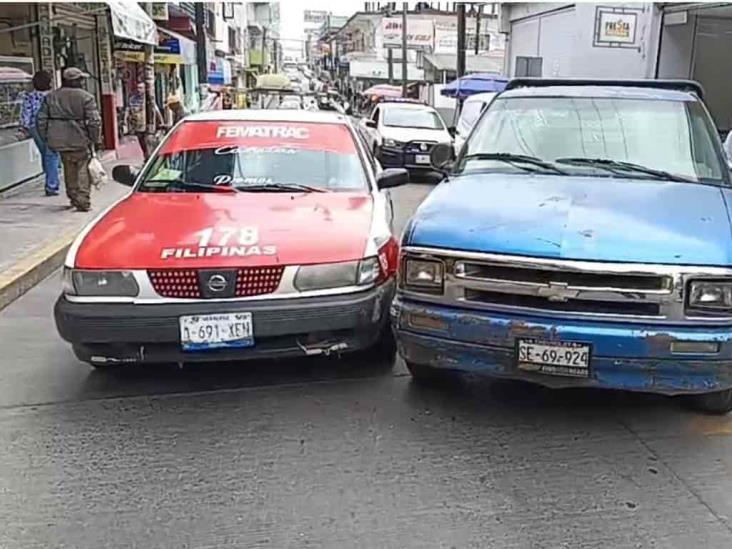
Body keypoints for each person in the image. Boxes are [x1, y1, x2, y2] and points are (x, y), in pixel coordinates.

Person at [37, 67, 101, 212]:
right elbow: (94, 121)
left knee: (68, 167)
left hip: (59, 139)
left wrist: (47, 138)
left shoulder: (51, 96)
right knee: (82, 168)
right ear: (76, 81)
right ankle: (83, 200)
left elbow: (41, 120)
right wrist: (95, 139)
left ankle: (73, 196)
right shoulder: (86, 97)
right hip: (80, 138)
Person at [20, 70, 60, 196]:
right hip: (51, 126)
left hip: (35, 127)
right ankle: (51, 184)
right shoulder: (53, 96)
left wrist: (24, 128)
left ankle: (49, 177)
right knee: (51, 154)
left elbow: (26, 113)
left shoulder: (30, 96)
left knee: (45, 154)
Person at [127, 82, 163, 159]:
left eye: (141, 88)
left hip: (148, 127)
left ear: (144, 89)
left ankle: (148, 158)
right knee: (142, 144)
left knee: (148, 144)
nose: (139, 90)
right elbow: (130, 112)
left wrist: (160, 122)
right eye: (138, 88)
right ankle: (146, 156)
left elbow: (155, 110)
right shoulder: (134, 99)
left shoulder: (148, 99)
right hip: (139, 127)